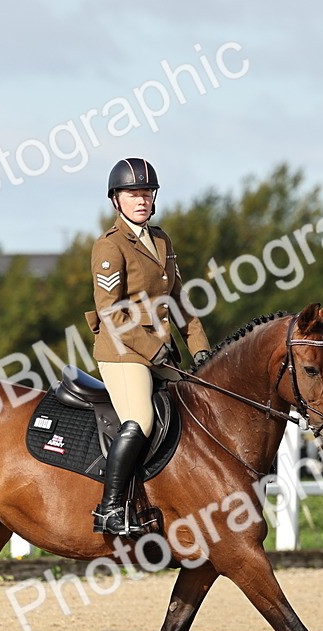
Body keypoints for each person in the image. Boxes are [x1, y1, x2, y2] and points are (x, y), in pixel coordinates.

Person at [84, 157, 212, 536]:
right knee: (141, 418)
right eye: (133, 193)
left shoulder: (161, 240)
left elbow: (180, 301)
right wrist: (152, 350)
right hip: (123, 351)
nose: (141, 200)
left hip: (162, 351)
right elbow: (110, 312)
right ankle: (109, 510)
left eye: (146, 193)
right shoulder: (109, 247)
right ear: (116, 200)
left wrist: (201, 349)